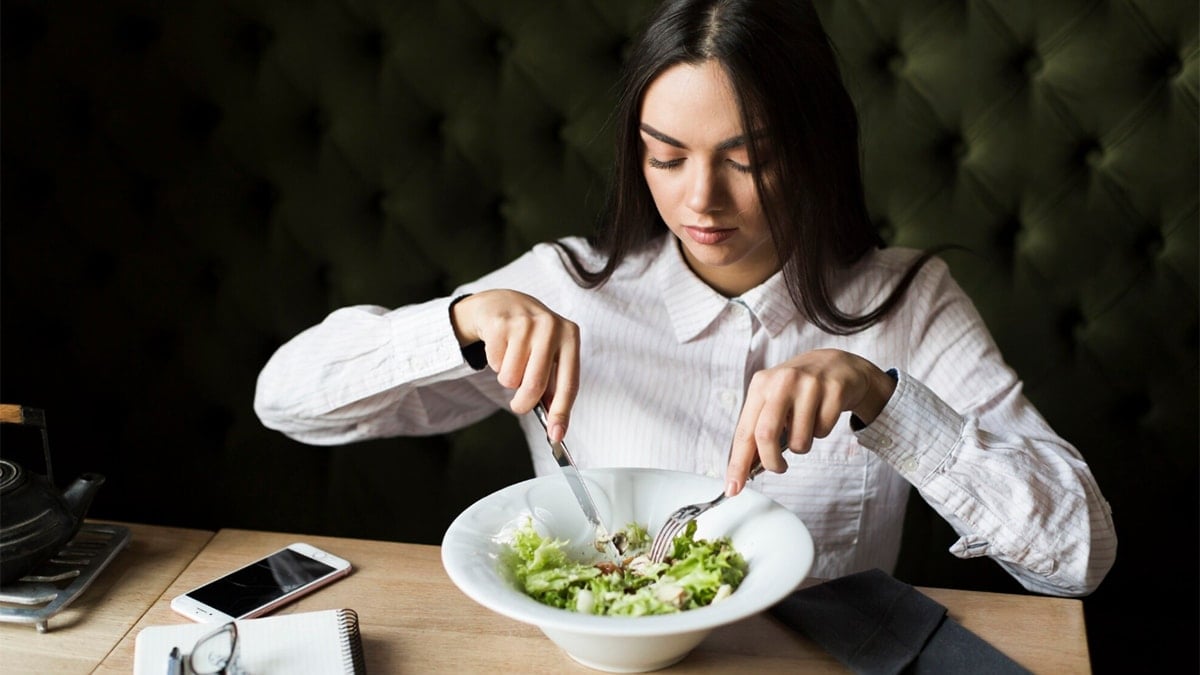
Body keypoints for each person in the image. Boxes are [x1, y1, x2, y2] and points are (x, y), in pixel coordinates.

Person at [254, 0, 1115, 597]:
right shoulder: (567, 283)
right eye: (667, 158)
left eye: (748, 161)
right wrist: (463, 320)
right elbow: (287, 401)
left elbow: (1080, 558)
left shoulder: (908, 298)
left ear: (813, 151)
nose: (702, 200)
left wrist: (886, 402)